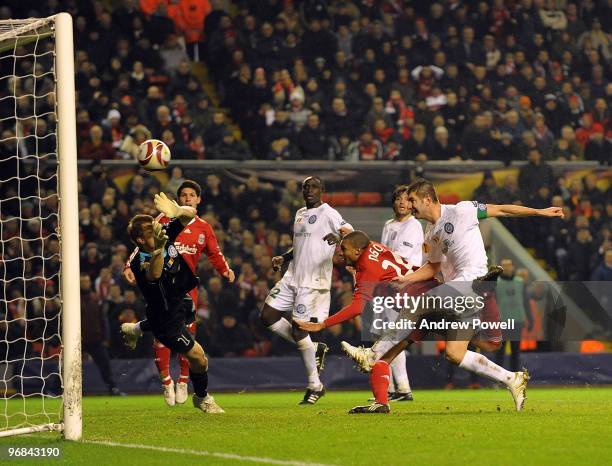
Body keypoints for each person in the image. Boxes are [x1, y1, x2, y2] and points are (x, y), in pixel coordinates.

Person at [341, 179, 563, 414]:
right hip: (457, 292)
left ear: (427, 199)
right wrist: (406, 279)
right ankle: (512, 378)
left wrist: (540, 211)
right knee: (454, 354)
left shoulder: (463, 210)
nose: (410, 206)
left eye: (413, 201)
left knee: (421, 304)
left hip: (473, 281)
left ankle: (372, 355)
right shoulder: (430, 233)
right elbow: (432, 268)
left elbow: (502, 209)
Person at [123, 181, 234, 407]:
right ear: (141, 240)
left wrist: (177, 211)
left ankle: (136, 328)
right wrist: (158, 251)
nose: (158, 230)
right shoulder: (141, 261)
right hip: (167, 318)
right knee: (200, 359)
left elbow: (188, 216)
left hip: (181, 296)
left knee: (191, 331)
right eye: (151, 231)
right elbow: (154, 274)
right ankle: (201, 397)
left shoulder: (161, 233)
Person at [260, 176, 352, 404]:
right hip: (292, 275)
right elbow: (301, 243)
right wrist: (284, 256)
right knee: (267, 316)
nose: (309, 190)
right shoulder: (300, 213)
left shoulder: (328, 213)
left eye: (314, 187)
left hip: (313, 281)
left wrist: (340, 238)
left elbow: (351, 233)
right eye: (305, 187)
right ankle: (314, 347)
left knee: (300, 329)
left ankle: (314, 385)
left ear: (322, 190)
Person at [378, 185, 425, 401]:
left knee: (393, 335)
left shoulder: (414, 226)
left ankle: (398, 388)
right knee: (390, 334)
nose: (402, 202)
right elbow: (383, 253)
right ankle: (400, 388)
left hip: (405, 283)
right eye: (398, 198)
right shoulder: (388, 225)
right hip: (389, 283)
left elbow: (402, 257)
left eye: (407, 199)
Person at [494, 258, 533, 373]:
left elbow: (526, 301)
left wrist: (530, 319)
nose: (506, 268)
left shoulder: (520, 282)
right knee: (499, 351)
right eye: (504, 266)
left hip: (517, 320)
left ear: (512, 267)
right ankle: (498, 378)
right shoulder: (496, 283)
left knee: (515, 350)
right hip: (502, 321)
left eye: (508, 265)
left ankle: (514, 377)